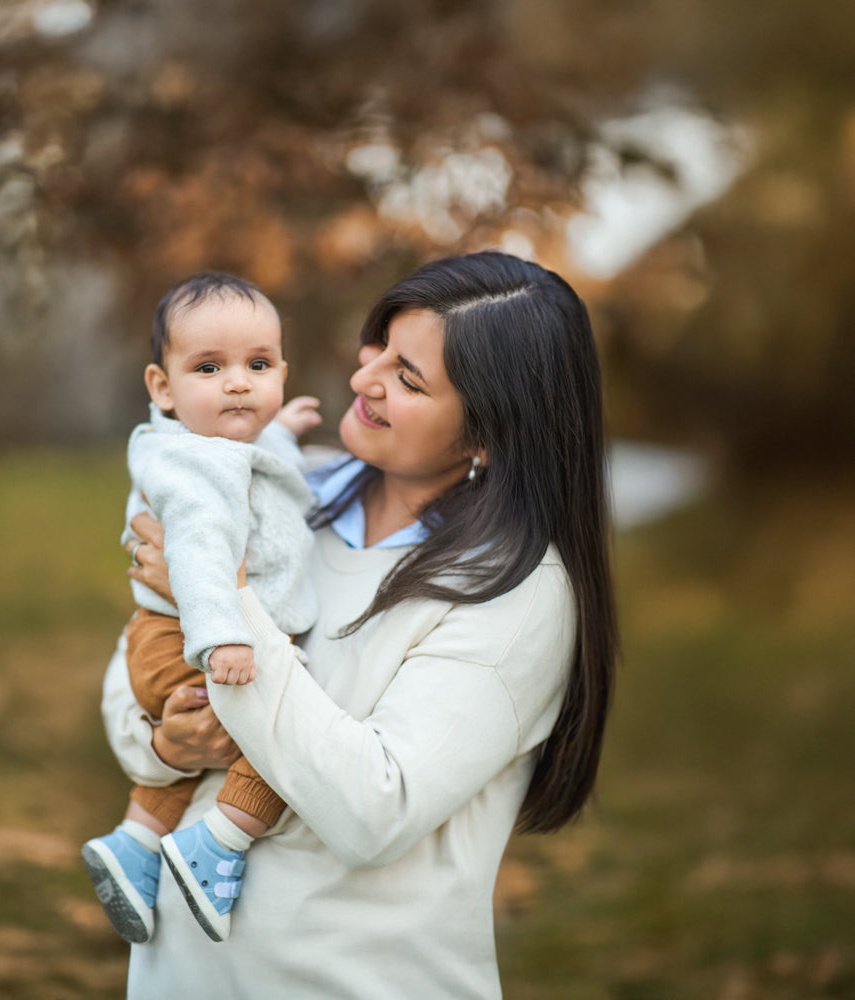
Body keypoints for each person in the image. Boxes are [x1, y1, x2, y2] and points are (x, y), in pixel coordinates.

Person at [100, 251, 619, 998]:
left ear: (488, 434)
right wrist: (162, 747)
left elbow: (374, 810)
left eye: (407, 378)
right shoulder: (286, 488)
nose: (363, 379)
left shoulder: (515, 594)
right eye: (378, 348)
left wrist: (228, 602)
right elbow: (132, 665)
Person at [82, 271, 324, 946]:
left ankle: (136, 845)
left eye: (258, 365)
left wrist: (287, 429)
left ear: (281, 370)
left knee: (202, 744)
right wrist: (226, 637)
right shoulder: (193, 469)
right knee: (282, 739)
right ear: (162, 388)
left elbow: (251, 450)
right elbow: (197, 549)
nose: (239, 383)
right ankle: (218, 842)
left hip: (170, 637)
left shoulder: (225, 438)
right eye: (210, 367)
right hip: (191, 636)